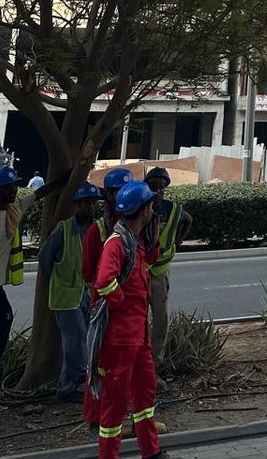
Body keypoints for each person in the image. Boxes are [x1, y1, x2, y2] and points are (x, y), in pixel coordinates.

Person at [0, 165, 65, 431]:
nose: (13, 190)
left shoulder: (15, 209)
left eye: (14, 185)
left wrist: (63, 179)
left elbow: (39, 194)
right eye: (8, 187)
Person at [87, 181, 162, 459]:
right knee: (114, 406)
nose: (153, 209)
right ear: (144, 210)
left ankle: (151, 451)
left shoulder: (136, 242)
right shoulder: (117, 243)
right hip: (119, 340)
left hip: (138, 337)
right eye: (151, 204)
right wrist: (122, 303)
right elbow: (104, 282)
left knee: (145, 398)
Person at [38, 183, 100, 402]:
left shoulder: (99, 228)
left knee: (84, 340)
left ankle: (70, 386)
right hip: (66, 296)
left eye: (92, 202)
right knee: (76, 341)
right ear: (77, 205)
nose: (89, 207)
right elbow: (45, 259)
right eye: (85, 203)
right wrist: (58, 281)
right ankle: (70, 387)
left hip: (88, 294)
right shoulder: (63, 230)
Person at [143, 167, 193, 376]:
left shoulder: (172, 210)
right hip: (140, 271)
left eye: (161, 188)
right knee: (138, 320)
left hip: (159, 272)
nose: (158, 191)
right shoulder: (141, 207)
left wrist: (178, 242)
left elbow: (188, 220)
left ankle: (155, 363)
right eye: (153, 187)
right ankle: (140, 361)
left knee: (160, 319)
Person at [82, 168, 133, 291]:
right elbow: (88, 274)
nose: (126, 196)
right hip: (110, 299)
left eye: (129, 191)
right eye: (121, 191)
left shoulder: (137, 225)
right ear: (109, 195)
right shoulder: (96, 231)